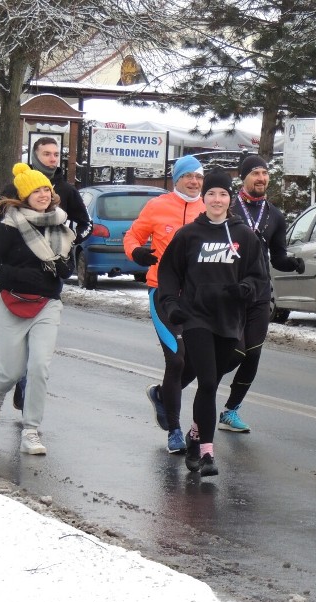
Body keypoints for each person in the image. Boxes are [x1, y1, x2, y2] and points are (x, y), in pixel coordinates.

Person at [156, 169, 265, 476]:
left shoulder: (243, 235)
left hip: (230, 320)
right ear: (203, 199)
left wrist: (246, 289)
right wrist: (172, 306)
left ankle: (194, 437)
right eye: (211, 194)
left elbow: (258, 275)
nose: (217, 200)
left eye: (223, 194)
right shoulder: (189, 235)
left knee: (211, 383)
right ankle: (207, 454)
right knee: (206, 383)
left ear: (230, 199)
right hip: (196, 318)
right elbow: (169, 274)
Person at [0, 136, 92, 413]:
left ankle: (28, 408)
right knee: (17, 358)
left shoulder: (66, 190)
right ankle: (14, 381)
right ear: (35, 155)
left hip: (50, 279)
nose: (53, 158)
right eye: (47, 153)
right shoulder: (15, 185)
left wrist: (68, 244)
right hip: (16, 283)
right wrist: (7, 248)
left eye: (56, 153)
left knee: (39, 358)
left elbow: (85, 224)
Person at [0, 163, 76, 454]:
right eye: (36, 190)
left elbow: (68, 265)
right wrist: (19, 275)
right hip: (13, 301)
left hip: (47, 304)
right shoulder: (10, 225)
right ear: (25, 195)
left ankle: (31, 431)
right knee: (13, 370)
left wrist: (64, 268)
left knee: (38, 366)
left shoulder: (61, 223)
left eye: (46, 190)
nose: (43, 194)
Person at [216, 154, 305, 433]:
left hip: (260, 291)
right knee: (235, 352)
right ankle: (201, 385)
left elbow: (277, 255)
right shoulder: (228, 209)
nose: (261, 178)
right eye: (255, 173)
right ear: (244, 177)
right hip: (229, 290)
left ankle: (231, 411)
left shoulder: (275, 215)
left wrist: (291, 263)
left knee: (252, 352)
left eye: (265, 173)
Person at [123, 155, 206, 454]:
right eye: (188, 177)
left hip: (198, 297)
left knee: (196, 363)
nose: (194, 182)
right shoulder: (158, 206)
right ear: (177, 179)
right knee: (177, 360)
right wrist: (137, 254)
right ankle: (174, 430)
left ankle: (161, 395)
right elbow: (133, 235)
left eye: (198, 177)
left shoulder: (209, 209)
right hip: (163, 292)